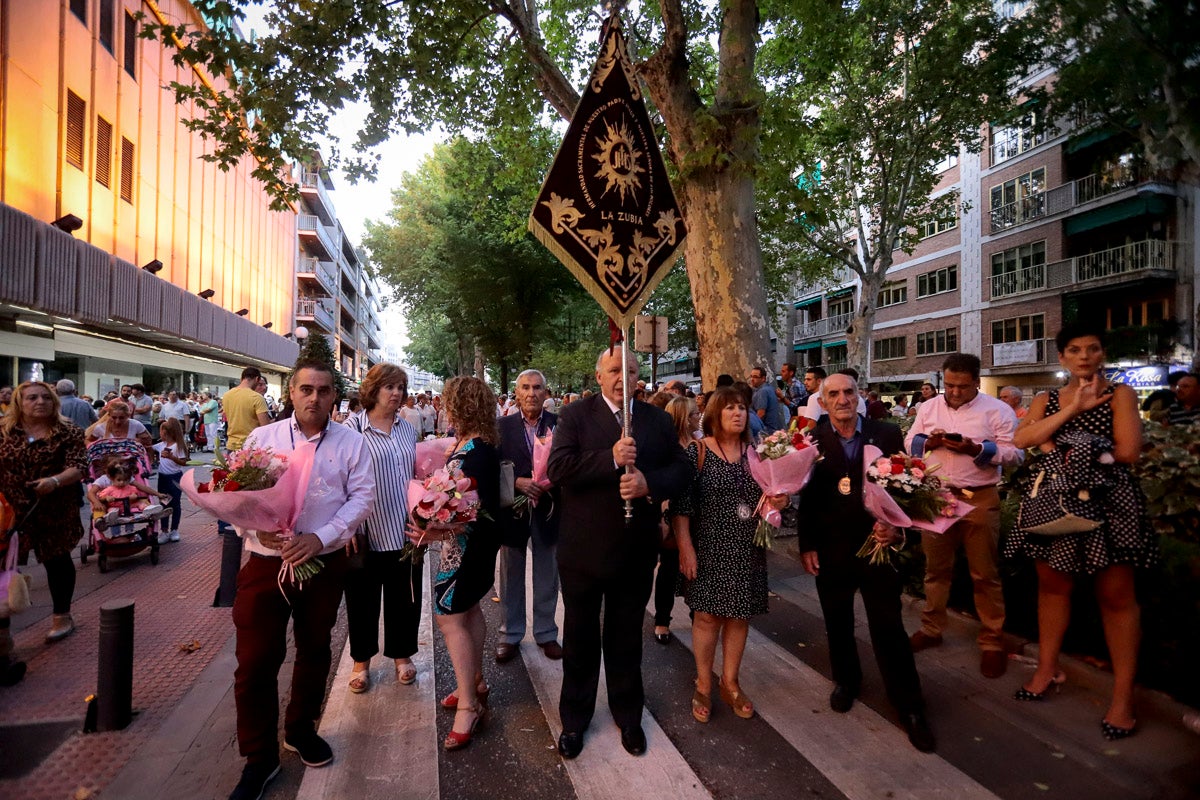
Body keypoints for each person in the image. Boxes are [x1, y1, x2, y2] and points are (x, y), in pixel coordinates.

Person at [227, 360, 375, 800]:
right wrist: (255, 529)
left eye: (324, 390)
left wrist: (321, 536)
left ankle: (299, 727)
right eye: (306, 389)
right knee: (254, 661)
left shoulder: (351, 443)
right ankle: (258, 757)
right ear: (290, 393)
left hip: (322, 563)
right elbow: (235, 494)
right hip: (265, 563)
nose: (315, 398)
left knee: (314, 648)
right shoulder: (262, 438)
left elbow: (362, 497)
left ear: (335, 396)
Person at [1005, 324, 1157, 740]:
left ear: (1103, 353)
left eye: (1092, 348)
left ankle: (1123, 696)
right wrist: (1072, 411)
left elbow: (1127, 451)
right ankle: (1047, 669)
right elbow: (1022, 437)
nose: (1085, 356)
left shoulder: (1120, 394)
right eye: (1074, 350)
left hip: (1111, 504)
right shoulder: (1047, 398)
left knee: (1117, 597)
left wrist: (1057, 443)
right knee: (1052, 588)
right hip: (1055, 503)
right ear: (1062, 358)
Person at [547, 345, 690, 759]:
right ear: (598, 375)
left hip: (635, 550)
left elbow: (682, 469)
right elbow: (558, 469)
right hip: (583, 552)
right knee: (580, 638)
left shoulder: (657, 419)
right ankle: (574, 719)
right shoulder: (575, 416)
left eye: (630, 369)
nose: (622, 376)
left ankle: (628, 715)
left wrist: (650, 483)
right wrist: (608, 459)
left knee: (626, 638)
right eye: (614, 369)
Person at [797, 373, 935, 751]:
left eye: (849, 392)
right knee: (837, 621)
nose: (843, 399)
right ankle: (846, 680)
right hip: (831, 549)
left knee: (889, 626)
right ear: (822, 402)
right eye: (834, 394)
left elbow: (908, 487)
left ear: (860, 396)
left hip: (878, 547)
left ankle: (910, 706)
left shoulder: (887, 433)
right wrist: (806, 544)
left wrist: (898, 529)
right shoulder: (810, 441)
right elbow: (805, 498)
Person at [672, 387, 785, 723]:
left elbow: (773, 494)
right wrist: (685, 548)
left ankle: (730, 681)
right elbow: (681, 507)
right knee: (707, 617)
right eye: (729, 408)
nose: (737, 413)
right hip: (707, 546)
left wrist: (781, 501)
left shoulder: (759, 453)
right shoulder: (698, 452)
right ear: (715, 415)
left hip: (746, 545)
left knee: (739, 615)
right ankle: (704, 682)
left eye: (741, 407)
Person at [906, 353, 1022, 678]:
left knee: (984, 573)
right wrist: (928, 441)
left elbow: (1016, 453)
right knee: (935, 569)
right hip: (937, 495)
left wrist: (976, 449)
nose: (954, 392)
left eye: (962, 386)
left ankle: (992, 640)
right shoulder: (928, 407)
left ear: (977, 381)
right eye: (949, 385)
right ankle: (931, 628)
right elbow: (910, 439)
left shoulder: (998, 410)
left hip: (980, 497)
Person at [412, 376, 502, 751]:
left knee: (450, 617)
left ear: (462, 406)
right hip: (466, 544)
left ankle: (469, 705)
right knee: (468, 611)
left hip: (467, 546)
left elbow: (463, 503)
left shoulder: (477, 448)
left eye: (449, 402)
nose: (444, 408)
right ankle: (474, 682)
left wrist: (425, 520)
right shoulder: (472, 442)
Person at [341, 364, 421, 693]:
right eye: (389, 387)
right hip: (364, 532)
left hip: (405, 530)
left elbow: (417, 474)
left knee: (405, 599)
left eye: (400, 387)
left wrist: (425, 514)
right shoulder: (350, 430)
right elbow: (337, 480)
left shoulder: (407, 428)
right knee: (362, 600)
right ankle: (361, 662)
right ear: (373, 390)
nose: (396, 393)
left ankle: (402, 656)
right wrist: (344, 526)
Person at [0, 382, 87, 642]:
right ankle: (3, 631)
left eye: (45, 397)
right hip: (11, 510)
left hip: (54, 509)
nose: (40, 402)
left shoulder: (67, 431)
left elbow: (79, 465)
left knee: (57, 561)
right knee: (4, 565)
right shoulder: (4, 431)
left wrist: (55, 481)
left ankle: (62, 615)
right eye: (32, 398)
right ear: (19, 403)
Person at [495, 369, 561, 664]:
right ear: (516, 393)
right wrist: (518, 482)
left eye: (537, 388)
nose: (532, 393)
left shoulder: (559, 424)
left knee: (548, 574)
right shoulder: (500, 426)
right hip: (513, 511)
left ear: (546, 393)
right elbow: (490, 467)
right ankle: (510, 634)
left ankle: (546, 633)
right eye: (526, 387)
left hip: (548, 509)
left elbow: (567, 463)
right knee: (511, 575)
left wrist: (550, 480)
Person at [652, 395, 698, 646]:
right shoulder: (667, 448)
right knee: (669, 570)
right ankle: (662, 619)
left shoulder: (700, 444)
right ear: (683, 418)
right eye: (693, 414)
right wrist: (663, 515)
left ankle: (697, 615)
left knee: (696, 570)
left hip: (696, 516)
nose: (698, 417)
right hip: (672, 515)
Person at [154, 417, 189, 542]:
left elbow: (183, 462)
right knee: (164, 503)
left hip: (175, 477)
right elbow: (149, 447)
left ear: (166, 433)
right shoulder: (160, 445)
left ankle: (174, 529)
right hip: (163, 477)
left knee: (175, 504)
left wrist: (172, 457)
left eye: (161, 432)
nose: (160, 435)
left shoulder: (177, 446)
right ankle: (164, 530)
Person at [223, 368, 271, 453]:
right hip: (251, 446)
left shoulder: (227, 395)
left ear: (242, 378)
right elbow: (265, 427)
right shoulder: (257, 397)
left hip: (232, 445)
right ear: (257, 379)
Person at [87, 398, 154, 451]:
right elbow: (88, 441)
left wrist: (140, 443)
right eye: (114, 417)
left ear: (128, 415)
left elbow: (148, 442)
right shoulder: (101, 427)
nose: (117, 421)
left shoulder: (136, 425)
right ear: (109, 415)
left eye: (122, 418)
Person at [747, 365, 782, 435]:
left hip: (767, 430)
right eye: (751, 376)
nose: (752, 379)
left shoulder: (763, 391)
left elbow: (761, 413)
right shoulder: (769, 388)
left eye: (755, 377)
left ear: (763, 378)